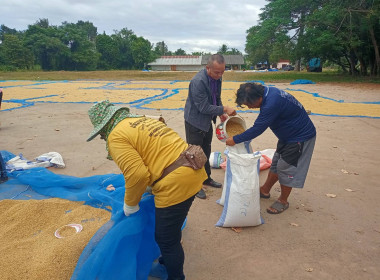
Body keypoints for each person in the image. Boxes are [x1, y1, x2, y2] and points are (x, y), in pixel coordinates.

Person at [87, 100, 207, 280]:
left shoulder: (116, 136)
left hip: (177, 182)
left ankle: (175, 277)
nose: (102, 137)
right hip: (193, 167)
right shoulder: (141, 119)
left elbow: (137, 175)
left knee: (167, 240)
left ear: (103, 127)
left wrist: (130, 204)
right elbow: (157, 148)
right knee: (170, 230)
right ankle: (165, 266)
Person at [226, 83, 316, 214]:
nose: (249, 107)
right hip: (287, 136)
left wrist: (235, 139)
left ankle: (283, 201)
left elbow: (258, 128)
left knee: (286, 168)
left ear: (258, 98)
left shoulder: (271, 104)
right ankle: (265, 189)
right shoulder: (269, 92)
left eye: (249, 104)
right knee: (276, 163)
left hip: (299, 138)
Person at [184, 54, 236, 199]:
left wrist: (220, 112)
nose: (220, 75)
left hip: (206, 121)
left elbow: (216, 96)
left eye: (222, 72)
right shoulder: (198, 82)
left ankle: (206, 178)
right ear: (208, 68)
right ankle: (195, 185)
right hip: (195, 120)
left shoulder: (217, 78)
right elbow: (203, 107)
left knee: (206, 149)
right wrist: (224, 109)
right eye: (216, 72)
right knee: (194, 154)